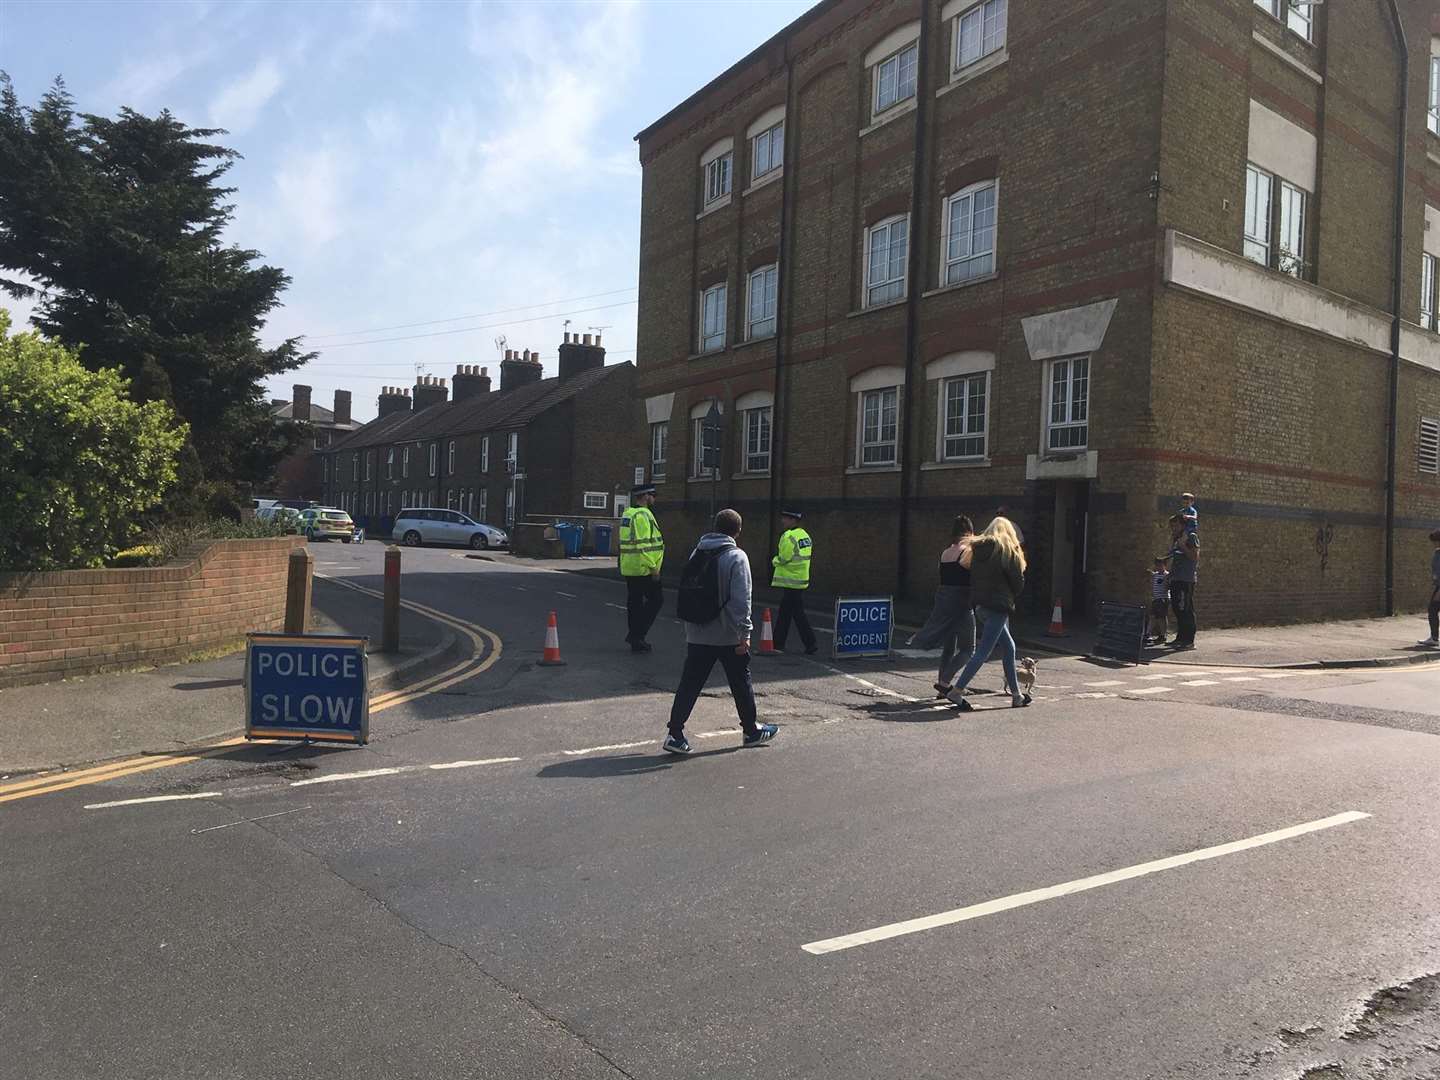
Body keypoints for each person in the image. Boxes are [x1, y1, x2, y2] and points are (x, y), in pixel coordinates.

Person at [664, 509, 779, 755]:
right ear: (738, 530)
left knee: (690, 684)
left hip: (697, 631)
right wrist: (745, 633)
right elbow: (741, 600)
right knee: (740, 681)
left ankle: (674, 734)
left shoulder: (697, 551)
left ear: (715, 527)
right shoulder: (736, 556)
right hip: (727, 634)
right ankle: (751, 731)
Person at [946, 516, 1029, 711]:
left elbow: (968, 571)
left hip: (981, 606)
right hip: (998, 607)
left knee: (1009, 648)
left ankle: (1017, 695)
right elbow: (1018, 582)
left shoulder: (977, 549)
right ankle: (956, 691)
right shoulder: (1007, 550)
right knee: (983, 652)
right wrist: (1010, 595)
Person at [908, 515, 977, 697]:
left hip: (944, 602)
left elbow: (942, 577)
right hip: (961, 604)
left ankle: (942, 685)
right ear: (969, 532)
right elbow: (973, 577)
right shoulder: (968, 552)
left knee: (949, 647)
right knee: (968, 649)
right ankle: (945, 681)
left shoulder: (945, 553)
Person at [619, 485, 665, 653]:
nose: (655, 498)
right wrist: (653, 568)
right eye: (653, 495)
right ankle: (637, 635)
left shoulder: (628, 513)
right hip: (643, 568)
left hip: (629, 566)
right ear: (645, 496)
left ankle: (636, 639)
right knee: (656, 600)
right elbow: (643, 544)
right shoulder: (642, 515)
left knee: (635, 603)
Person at [771, 508, 817, 654]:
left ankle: (809, 643)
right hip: (801, 580)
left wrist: (774, 560)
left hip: (790, 580)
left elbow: (784, 558)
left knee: (793, 613)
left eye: (785, 518)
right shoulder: (805, 535)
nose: (782, 520)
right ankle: (780, 643)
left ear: (793, 520)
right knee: (790, 612)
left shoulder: (788, 536)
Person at [1164, 513, 1200, 649]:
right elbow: (1173, 557)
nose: (1173, 528)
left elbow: (1195, 557)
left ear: (1183, 525)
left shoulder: (1191, 537)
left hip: (1186, 579)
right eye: (1171, 526)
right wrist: (1169, 575)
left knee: (1186, 608)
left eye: (1176, 525)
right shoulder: (1176, 538)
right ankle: (1180, 638)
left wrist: (1183, 546)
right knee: (1177, 608)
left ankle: (1188, 640)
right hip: (1176, 577)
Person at [1419, 529, 1440, 648]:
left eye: (1436, 541)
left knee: (1432, 610)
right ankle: (1434, 637)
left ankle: (1434, 638)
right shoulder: (1438, 552)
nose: (1434, 544)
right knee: (1432, 610)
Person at [1146, 557, 1169, 645]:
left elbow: (1168, 585)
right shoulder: (1155, 574)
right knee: (1152, 616)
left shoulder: (1167, 575)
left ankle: (1163, 635)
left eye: (1161, 565)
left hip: (1163, 599)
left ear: (1165, 566)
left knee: (1161, 618)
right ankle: (1148, 634)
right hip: (1156, 599)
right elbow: (1151, 573)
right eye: (1157, 565)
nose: (1159, 567)